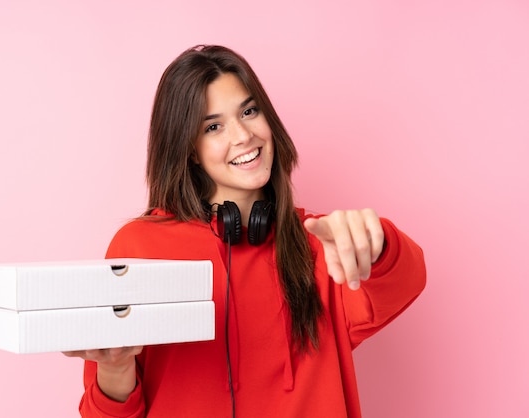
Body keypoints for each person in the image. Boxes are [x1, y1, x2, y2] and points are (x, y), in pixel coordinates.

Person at [64, 45, 426, 417]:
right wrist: (115, 367)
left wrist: (374, 241)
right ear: (189, 149)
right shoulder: (140, 245)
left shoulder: (319, 243)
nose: (243, 136)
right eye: (214, 126)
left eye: (249, 111)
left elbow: (405, 280)